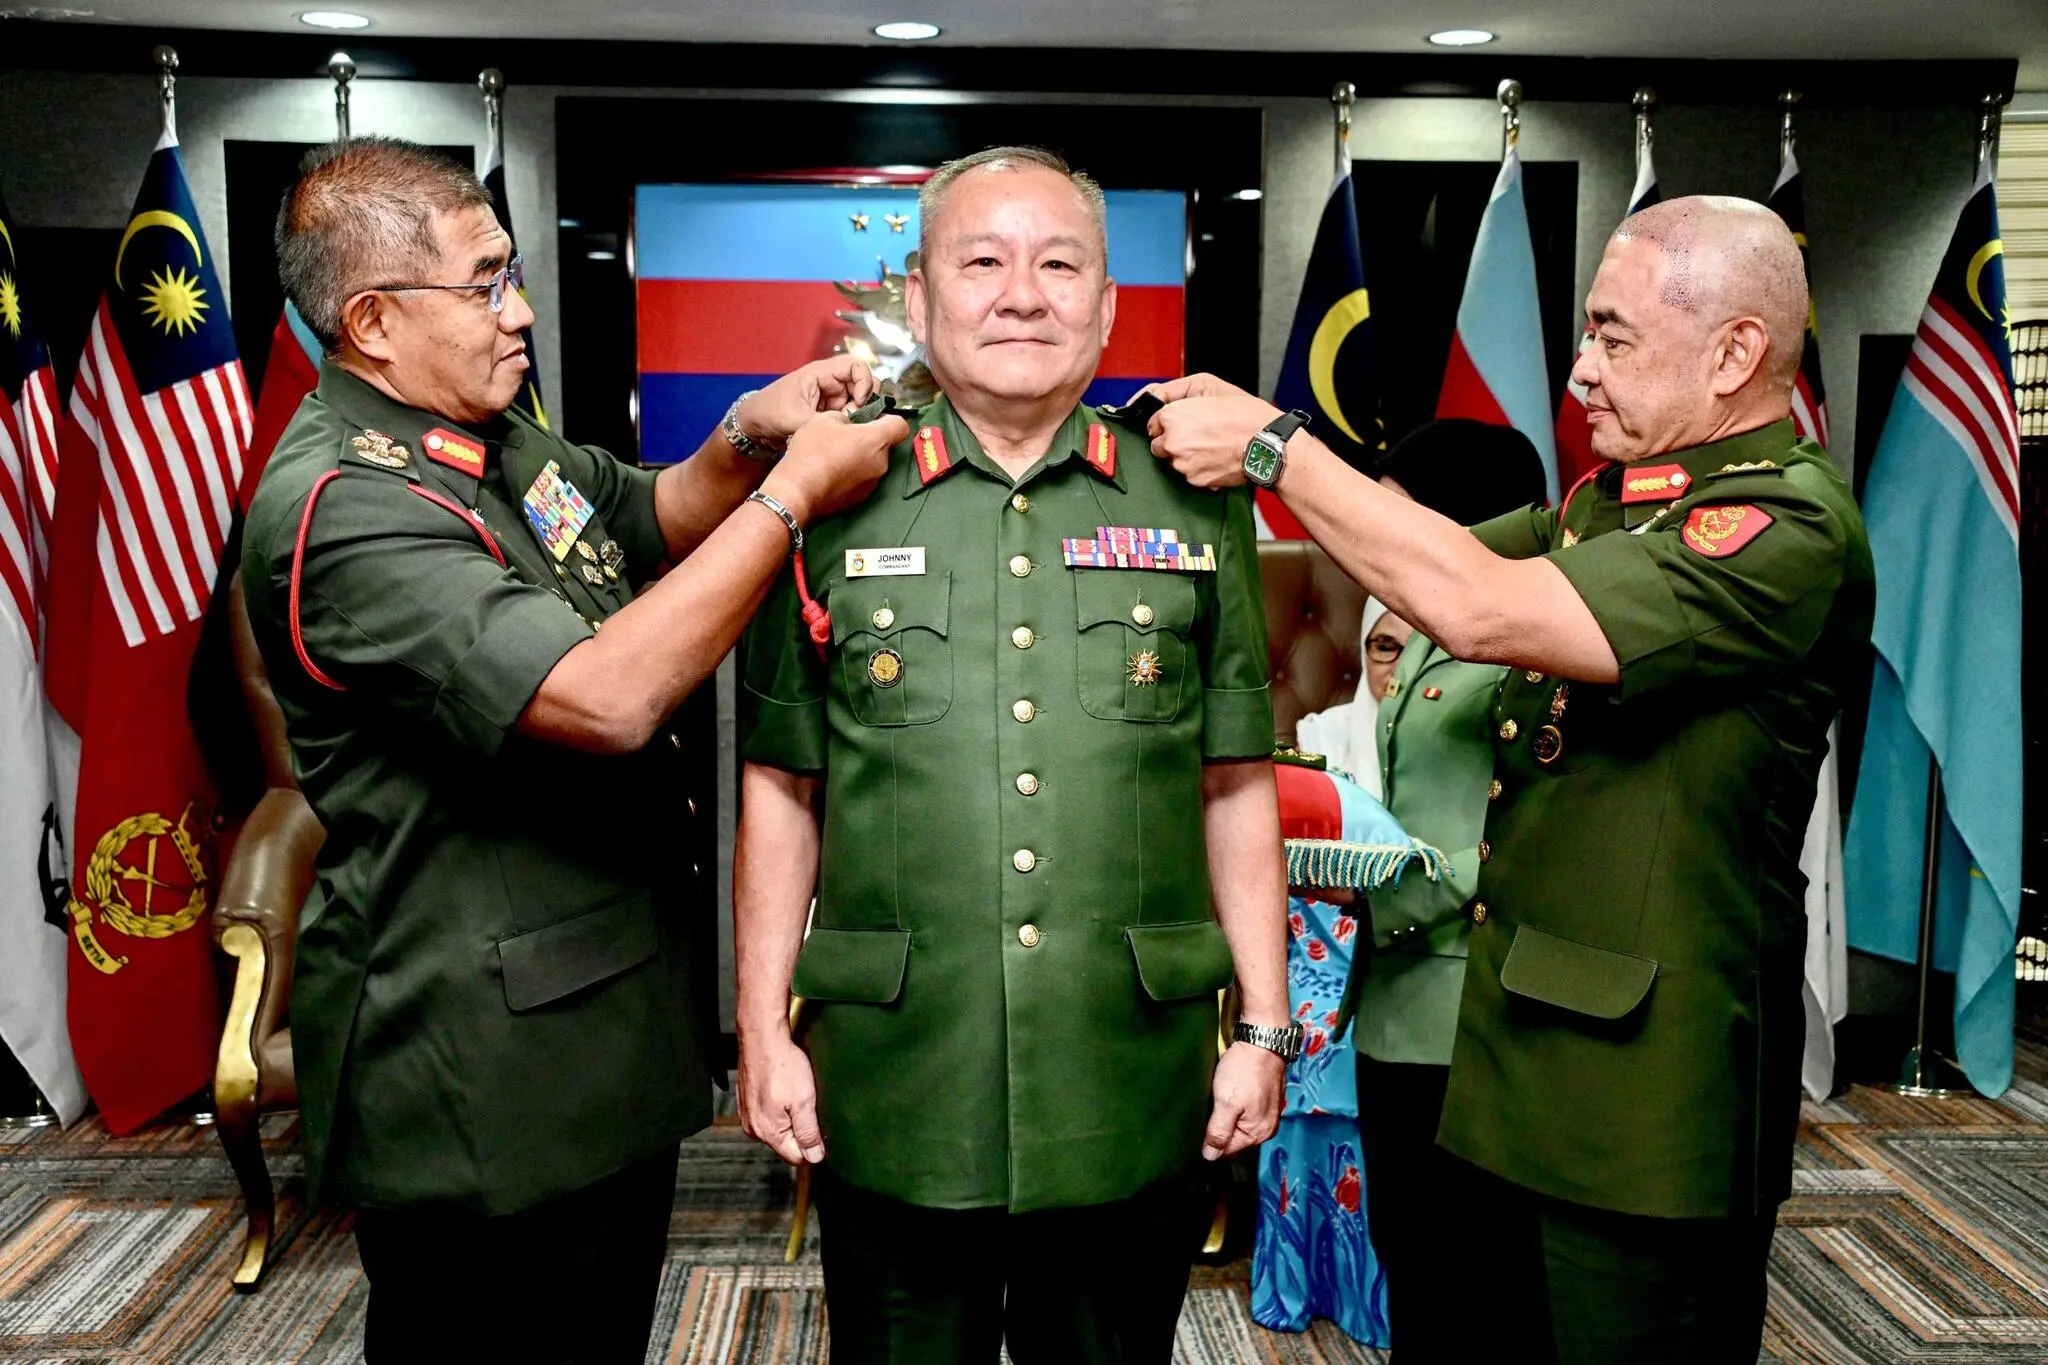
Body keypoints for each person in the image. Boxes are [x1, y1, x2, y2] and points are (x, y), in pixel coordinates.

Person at [1145, 196, 1874, 1364]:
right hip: (1506, 1069)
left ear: (1735, 352)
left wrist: (1278, 448)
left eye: (1612, 337)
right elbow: (1427, 551)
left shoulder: (1783, 528)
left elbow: (1482, 609)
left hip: (1643, 1112)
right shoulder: (1610, 504)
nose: (1578, 372)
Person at [240, 137, 904, 1362]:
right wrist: (793, 496)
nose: (521, 308)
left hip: (593, 1025)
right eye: (486, 282)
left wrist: (752, 436)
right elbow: (603, 698)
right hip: (482, 1069)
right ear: (374, 320)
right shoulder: (350, 507)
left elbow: (648, 514)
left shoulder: (487, 439)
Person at [734, 146, 1291, 1364]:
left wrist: (1261, 1024)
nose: (1021, 294)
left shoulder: (1194, 500)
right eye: (980, 262)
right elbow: (781, 782)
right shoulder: (830, 492)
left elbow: (1234, 779)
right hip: (894, 1076)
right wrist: (760, 1030)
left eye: (1058, 265)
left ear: (1105, 307)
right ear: (919, 303)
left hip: (1125, 1072)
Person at [1330, 419, 1549, 1363]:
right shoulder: (1417, 631)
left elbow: (1534, 836)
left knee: (1482, 1282)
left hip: (1476, 1008)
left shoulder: (1528, 630)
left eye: (1401, 503)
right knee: (1412, 1261)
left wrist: (1398, 888)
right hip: (1392, 1003)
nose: (1382, 524)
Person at [1292, 596, 1403, 794]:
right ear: (1363, 649)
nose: (1401, 669)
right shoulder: (1321, 738)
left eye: (1418, 652)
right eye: (1385, 647)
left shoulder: (1462, 737)